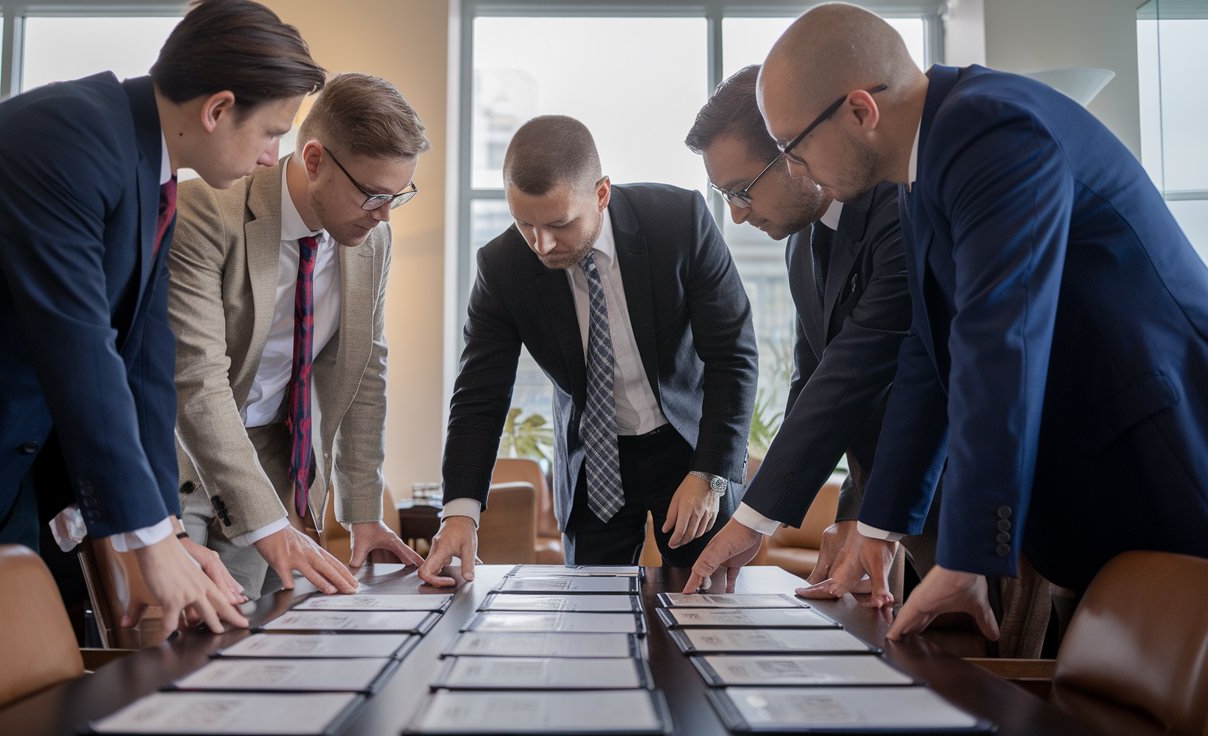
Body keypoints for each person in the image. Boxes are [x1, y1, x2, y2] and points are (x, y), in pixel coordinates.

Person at [758, 3, 1208, 641]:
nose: (794, 170)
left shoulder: (987, 127)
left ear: (859, 111)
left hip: (1158, 452)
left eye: (791, 148)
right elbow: (927, 353)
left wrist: (967, 552)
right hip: (1102, 469)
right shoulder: (926, 161)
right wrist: (882, 527)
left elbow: (999, 341)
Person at [0, 0, 326, 634]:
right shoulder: (64, 137)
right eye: (271, 132)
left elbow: (147, 366)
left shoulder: (147, 170)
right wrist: (146, 538)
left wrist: (168, 526)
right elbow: (78, 344)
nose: (272, 156)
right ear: (217, 109)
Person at [419, 115, 758, 587]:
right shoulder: (501, 268)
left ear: (601, 194)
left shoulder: (678, 222)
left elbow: (733, 355)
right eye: (525, 225)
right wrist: (459, 514)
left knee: (709, 607)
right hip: (594, 461)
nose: (542, 244)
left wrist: (712, 473)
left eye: (559, 223)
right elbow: (479, 395)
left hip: (690, 448)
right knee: (590, 620)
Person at [171, 73, 428, 599]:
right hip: (181, 455)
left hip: (275, 459)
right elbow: (197, 380)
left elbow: (364, 371)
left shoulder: (372, 240)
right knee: (186, 637)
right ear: (314, 161)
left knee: (253, 639)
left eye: (397, 196)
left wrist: (362, 513)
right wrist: (268, 523)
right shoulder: (207, 211)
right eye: (372, 195)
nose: (382, 215)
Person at [678, 65, 925, 597]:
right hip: (883, 509)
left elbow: (863, 375)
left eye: (741, 190)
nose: (738, 217)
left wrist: (753, 521)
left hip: (956, 502)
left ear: (792, 150)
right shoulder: (799, 247)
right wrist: (782, 516)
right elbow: (813, 384)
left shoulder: (899, 207)